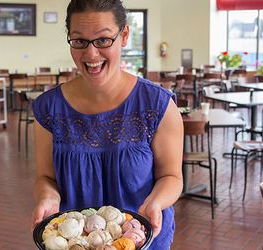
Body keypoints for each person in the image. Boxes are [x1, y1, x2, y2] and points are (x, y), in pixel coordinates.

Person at [30, 0, 183, 249]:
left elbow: (172, 177)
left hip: (141, 239)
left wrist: (155, 202)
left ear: (124, 36)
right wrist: (47, 196)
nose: (91, 54)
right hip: (75, 242)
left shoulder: (157, 105)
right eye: (79, 41)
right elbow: (46, 177)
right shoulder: (48, 109)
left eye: (103, 40)